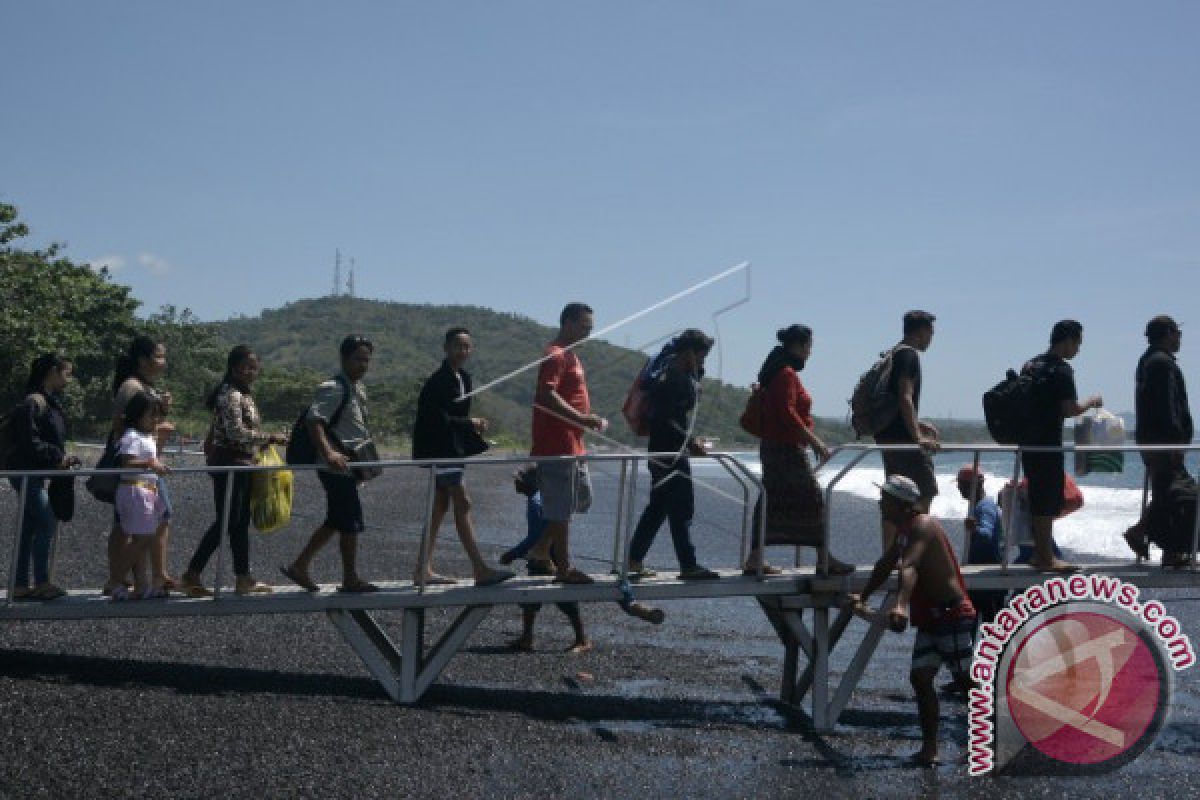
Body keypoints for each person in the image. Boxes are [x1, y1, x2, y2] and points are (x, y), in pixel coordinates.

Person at [848, 476, 976, 767]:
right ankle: (930, 749)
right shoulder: (905, 530)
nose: (881, 503)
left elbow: (910, 566)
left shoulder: (923, 526)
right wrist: (862, 596)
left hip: (950, 614)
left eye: (886, 499)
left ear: (902, 504)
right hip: (931, 617)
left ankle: (995, 740)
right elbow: (886, 564)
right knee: (920, 679)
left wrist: (901, 605)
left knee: (966, 682)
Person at [744, 325, 853, 576]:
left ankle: (755, 558)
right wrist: (814, 441)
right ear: (800, 346)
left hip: (773, 447)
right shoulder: (786, 373)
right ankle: (824, 559)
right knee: (813, 499)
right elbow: (788, 413)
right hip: (786, 448)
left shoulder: (774, 370)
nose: (810, 353)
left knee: (770, 499)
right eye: (809, 347)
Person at [411, 327, 514, 587]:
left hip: (452, 450)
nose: (463, 351)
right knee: (463, 502)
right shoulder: (438, 380)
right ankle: (480, 569)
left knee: (439, 507)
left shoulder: (465, 378)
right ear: (446, 348)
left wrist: (470, 426)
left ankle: (422, 569)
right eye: (458, 346)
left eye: (467, 347)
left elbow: (455, 418)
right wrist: (470, 423)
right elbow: (437, 419)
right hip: (440, 449)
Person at [180, 346, 285, 597]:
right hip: (230, 464)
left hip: (243, 463)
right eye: (246, 366)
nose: (250, 372)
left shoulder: (242, 394)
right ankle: (192, 573)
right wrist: (270, 437)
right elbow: (235, 432)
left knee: (238, 522)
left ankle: (243, 578)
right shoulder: (231, 395)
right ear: (233, 367)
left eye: (254, 368)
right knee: (227, 520)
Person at [282, 335, 379, 593]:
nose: (363, 365)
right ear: (344, 358)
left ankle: (300, 566)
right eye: (358, 359)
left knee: (337, 519)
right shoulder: (334, 387)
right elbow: (315, 421)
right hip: (334, 467)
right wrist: (329, 454)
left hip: (349, 467)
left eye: (366, 360)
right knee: (350, 520)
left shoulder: (357, 389)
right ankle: (349, 578)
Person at [627, 329, 720, 581]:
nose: (703, 362)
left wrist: (696, 373)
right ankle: (688, 565)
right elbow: (671, 420)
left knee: (658, 507)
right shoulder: (674, 379)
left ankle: (633, 560)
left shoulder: (667, 373)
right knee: (681, 508)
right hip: (671, 452)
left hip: (659, 449)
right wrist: (691, 442)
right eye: (701, 356)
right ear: (689, 352)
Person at [525, 302, 605, 585]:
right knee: (561, 506)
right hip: (556, 443)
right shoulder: (555, 354)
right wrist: (582, 418)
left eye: (590, 328)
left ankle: (540, 548)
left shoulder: (572, 356)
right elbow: (546, 395)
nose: (587, 333)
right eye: (584, 327)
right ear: (568, 323)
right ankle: (564, 567)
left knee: (580, 499)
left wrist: (585, 423)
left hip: (574, 443)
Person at [1019, 320, 1102, 573]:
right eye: (1077, 343)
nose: (1077, 349)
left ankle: (1038, 552)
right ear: (1067, 340)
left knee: (1037, 495)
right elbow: (1069, 409)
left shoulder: (1030, 365)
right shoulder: (1061, 370)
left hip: (1027, 439)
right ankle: (1045, 556)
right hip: (1047, 442)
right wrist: (1092, 401)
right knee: (1047, 498)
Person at [105, 335, 176, 595]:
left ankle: (142, 579)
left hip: (147, 465)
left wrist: (163, 411)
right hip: (138, 468)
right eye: (158, 356)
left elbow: (147, 421)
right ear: (142, 360)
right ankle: (139, 577)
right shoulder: (132, 387)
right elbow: (127, 425)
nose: (163, 362)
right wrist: (146, 450)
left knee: (133, 524)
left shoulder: (143, 385)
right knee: (146, 521)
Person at [6, 354, 79, 601]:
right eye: (66, 373)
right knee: (46, 521)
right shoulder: (34, 402)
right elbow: (30, 442)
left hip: (33, 472)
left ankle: (19, 584)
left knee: (29, 527)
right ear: (53, 372)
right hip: (24, 472)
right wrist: (56, 456)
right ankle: (41, 582)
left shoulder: (49, 401)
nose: (69, 379)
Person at [1130, 315, 1193, 567]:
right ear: (1168, 333)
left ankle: (1156, 540)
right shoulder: (1162, 364)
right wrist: (1176, 441)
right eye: (1177, 333)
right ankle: (1167, 547)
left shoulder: (1148, 361)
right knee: (1176, 495)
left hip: (1153, 439)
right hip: (1164, 441)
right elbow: (1168, 406)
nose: (1179, 338)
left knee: (1165, 494)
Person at [507, 468, 591, 653]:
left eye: (518, 480)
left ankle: (582, 639)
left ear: (528, 483)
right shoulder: (537, 498)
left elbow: (535, 536)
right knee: (530, 597)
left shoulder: (536, 502)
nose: (515, 483)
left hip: (550, 557)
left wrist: (513, 554)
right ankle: (527, 637)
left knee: (563, 598)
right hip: (542, 556)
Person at [875, 311, 940, 550]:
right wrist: (918, 436)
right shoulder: (908, 356)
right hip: (902, 440)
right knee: (926, 489)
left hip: (888, 435)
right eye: (930, 333)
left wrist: (918, 423)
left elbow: (897, 399)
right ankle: (913, 549)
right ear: (921, 331)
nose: (931, 339)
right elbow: (904, 396)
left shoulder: (894, 353)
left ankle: (891, 552)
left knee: (895, 494)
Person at [109, 393, 172, 600]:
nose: (155, 419)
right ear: (137, 416)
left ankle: (140, 585)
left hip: (146, 489)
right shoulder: (131, 436)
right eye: (150, 415)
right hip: (134, 489)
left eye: (156, 415)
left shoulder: (145, 436)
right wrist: (149, 464)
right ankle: (116, 580)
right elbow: (126, 462)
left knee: (142, 538)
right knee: (141, 538)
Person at [955, 466, 1008, 625]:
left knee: (991, 630)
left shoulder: (984, 507)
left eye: (962, 484)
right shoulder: (980, 505)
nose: (958, 488)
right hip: (982, 575)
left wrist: (974, 528)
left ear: (975, 485)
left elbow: (986, 534)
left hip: (987, 578)